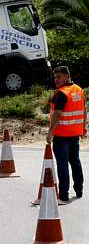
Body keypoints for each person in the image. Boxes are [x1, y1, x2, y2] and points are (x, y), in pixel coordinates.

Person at [46, 66, 86, 202]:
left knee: (62, 164)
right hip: (74, 134)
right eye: (55, 77)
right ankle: (79, 189)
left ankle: (63, 194)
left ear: (67, 76)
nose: (56, 80)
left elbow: (57, 113)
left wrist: (50, 132)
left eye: (59, 77)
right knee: (75, 161)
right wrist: (83, 128)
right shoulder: (79, 90)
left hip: (61, 135)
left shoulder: (62, 93)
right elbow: (84, 111)